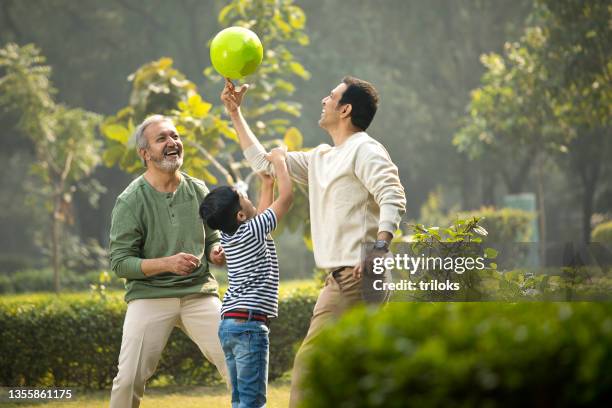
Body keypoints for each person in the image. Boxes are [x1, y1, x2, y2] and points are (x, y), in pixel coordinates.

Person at [220, 76, 407, 406]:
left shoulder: (365, 149)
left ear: (345, 109)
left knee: (311, 364)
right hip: (341, 276)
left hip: (358, 274)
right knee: (353, 372)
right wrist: (235, 112)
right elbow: (265, 162)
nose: (323, 100)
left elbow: (392, 194)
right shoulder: (322, 158)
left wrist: (380, 247)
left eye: (331, 96)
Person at [108, 115, 229, 408]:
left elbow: (213, 237)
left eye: (175, 136)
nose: (173, 143)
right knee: (128, 379)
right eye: (162, 138)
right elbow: (120, 263)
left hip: (198, 293)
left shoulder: (198, 189)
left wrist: (216, 252)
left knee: (238, 360)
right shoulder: (131, 200)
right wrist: (166, 264)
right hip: (150, 296)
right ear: (144, 153)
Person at [199, 147, 293, 408]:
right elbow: (286, 199)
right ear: (240, 215)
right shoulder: (252, 230)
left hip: (230, 325)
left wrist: (267, 182)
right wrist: (280, 161)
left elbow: (260, 214)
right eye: (244, 197)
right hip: (249, 327)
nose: (248, 198)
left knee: (240, 400)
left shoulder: (231, 236)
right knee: (253, 403)